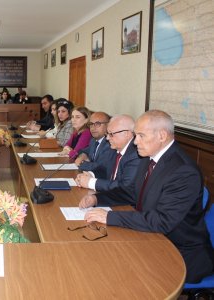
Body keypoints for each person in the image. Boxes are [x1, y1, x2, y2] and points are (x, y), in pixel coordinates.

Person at [82, 110, 214, 284]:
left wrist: (109, 216)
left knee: (119, 276)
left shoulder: (183, 171)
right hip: (149, 238)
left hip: (179, 251)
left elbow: (162, 220)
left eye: (141, 136)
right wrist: (98, 199)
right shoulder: (148, 158)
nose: (135, 142)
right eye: (136, 135)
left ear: (161, 135)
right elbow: (131, 193)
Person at [75, 114, 141, 202]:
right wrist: (91, 175)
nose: (107, 138)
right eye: (107, 134)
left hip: (127, 205)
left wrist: (91, 182)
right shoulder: (115, 149)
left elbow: (124, 187)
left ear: (127, 134)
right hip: (111, 198)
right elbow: (106, 171)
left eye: (111, 134)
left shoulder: (136, 155)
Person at [74, 111, 117, 179]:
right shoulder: (94, 140)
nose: (93, 128)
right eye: (91, 124)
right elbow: (84, 150)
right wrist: (82, 156)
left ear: (108, 125)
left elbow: (101, 167)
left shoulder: (110, 143)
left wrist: (82, 163)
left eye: (97, 124)